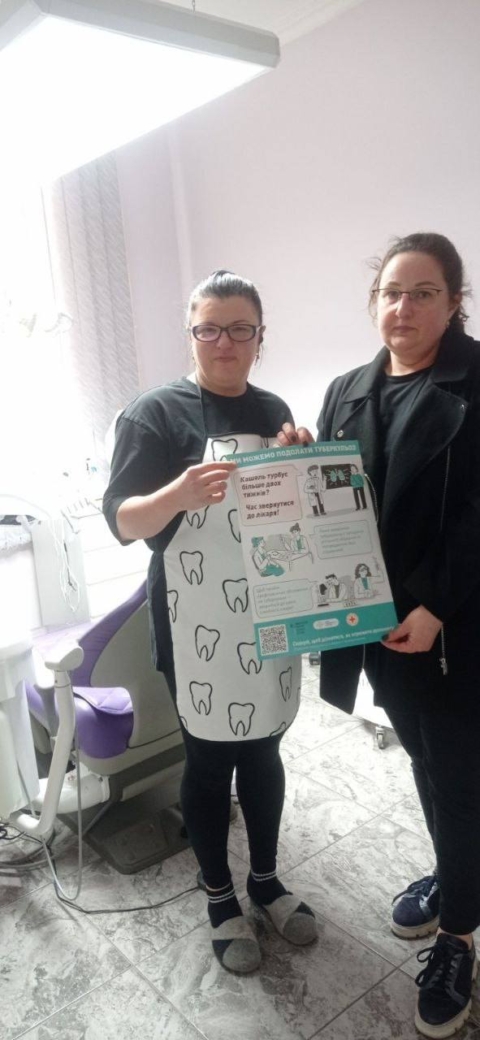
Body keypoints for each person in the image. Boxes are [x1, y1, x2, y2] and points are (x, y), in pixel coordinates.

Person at [278, 233, 480, 1038]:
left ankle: (458, 936)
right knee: (426, 759)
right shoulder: (347, 390)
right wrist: (299, 464)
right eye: (392, 292)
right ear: (374, 302)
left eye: (424, 292)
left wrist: (435, 604)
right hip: (377, 628)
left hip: (452, 626)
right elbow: (338, 501)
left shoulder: (475, 381)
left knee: (459, 773)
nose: (404, 307)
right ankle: (454, 874)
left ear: (455, 301)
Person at [103, 270, 316, 975]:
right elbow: (122, 521)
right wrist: (178, 491)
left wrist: (301, 461)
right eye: (210, 328)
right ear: (191, 334)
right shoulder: (154, 415)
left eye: (240, 329)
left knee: (264, 749)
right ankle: (220, 896)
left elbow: (284, 512)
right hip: (194, 622)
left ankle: (265, 881)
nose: (225, 342)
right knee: (210, 758)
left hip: (268, 609)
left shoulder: (272, 406)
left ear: (260, 337)